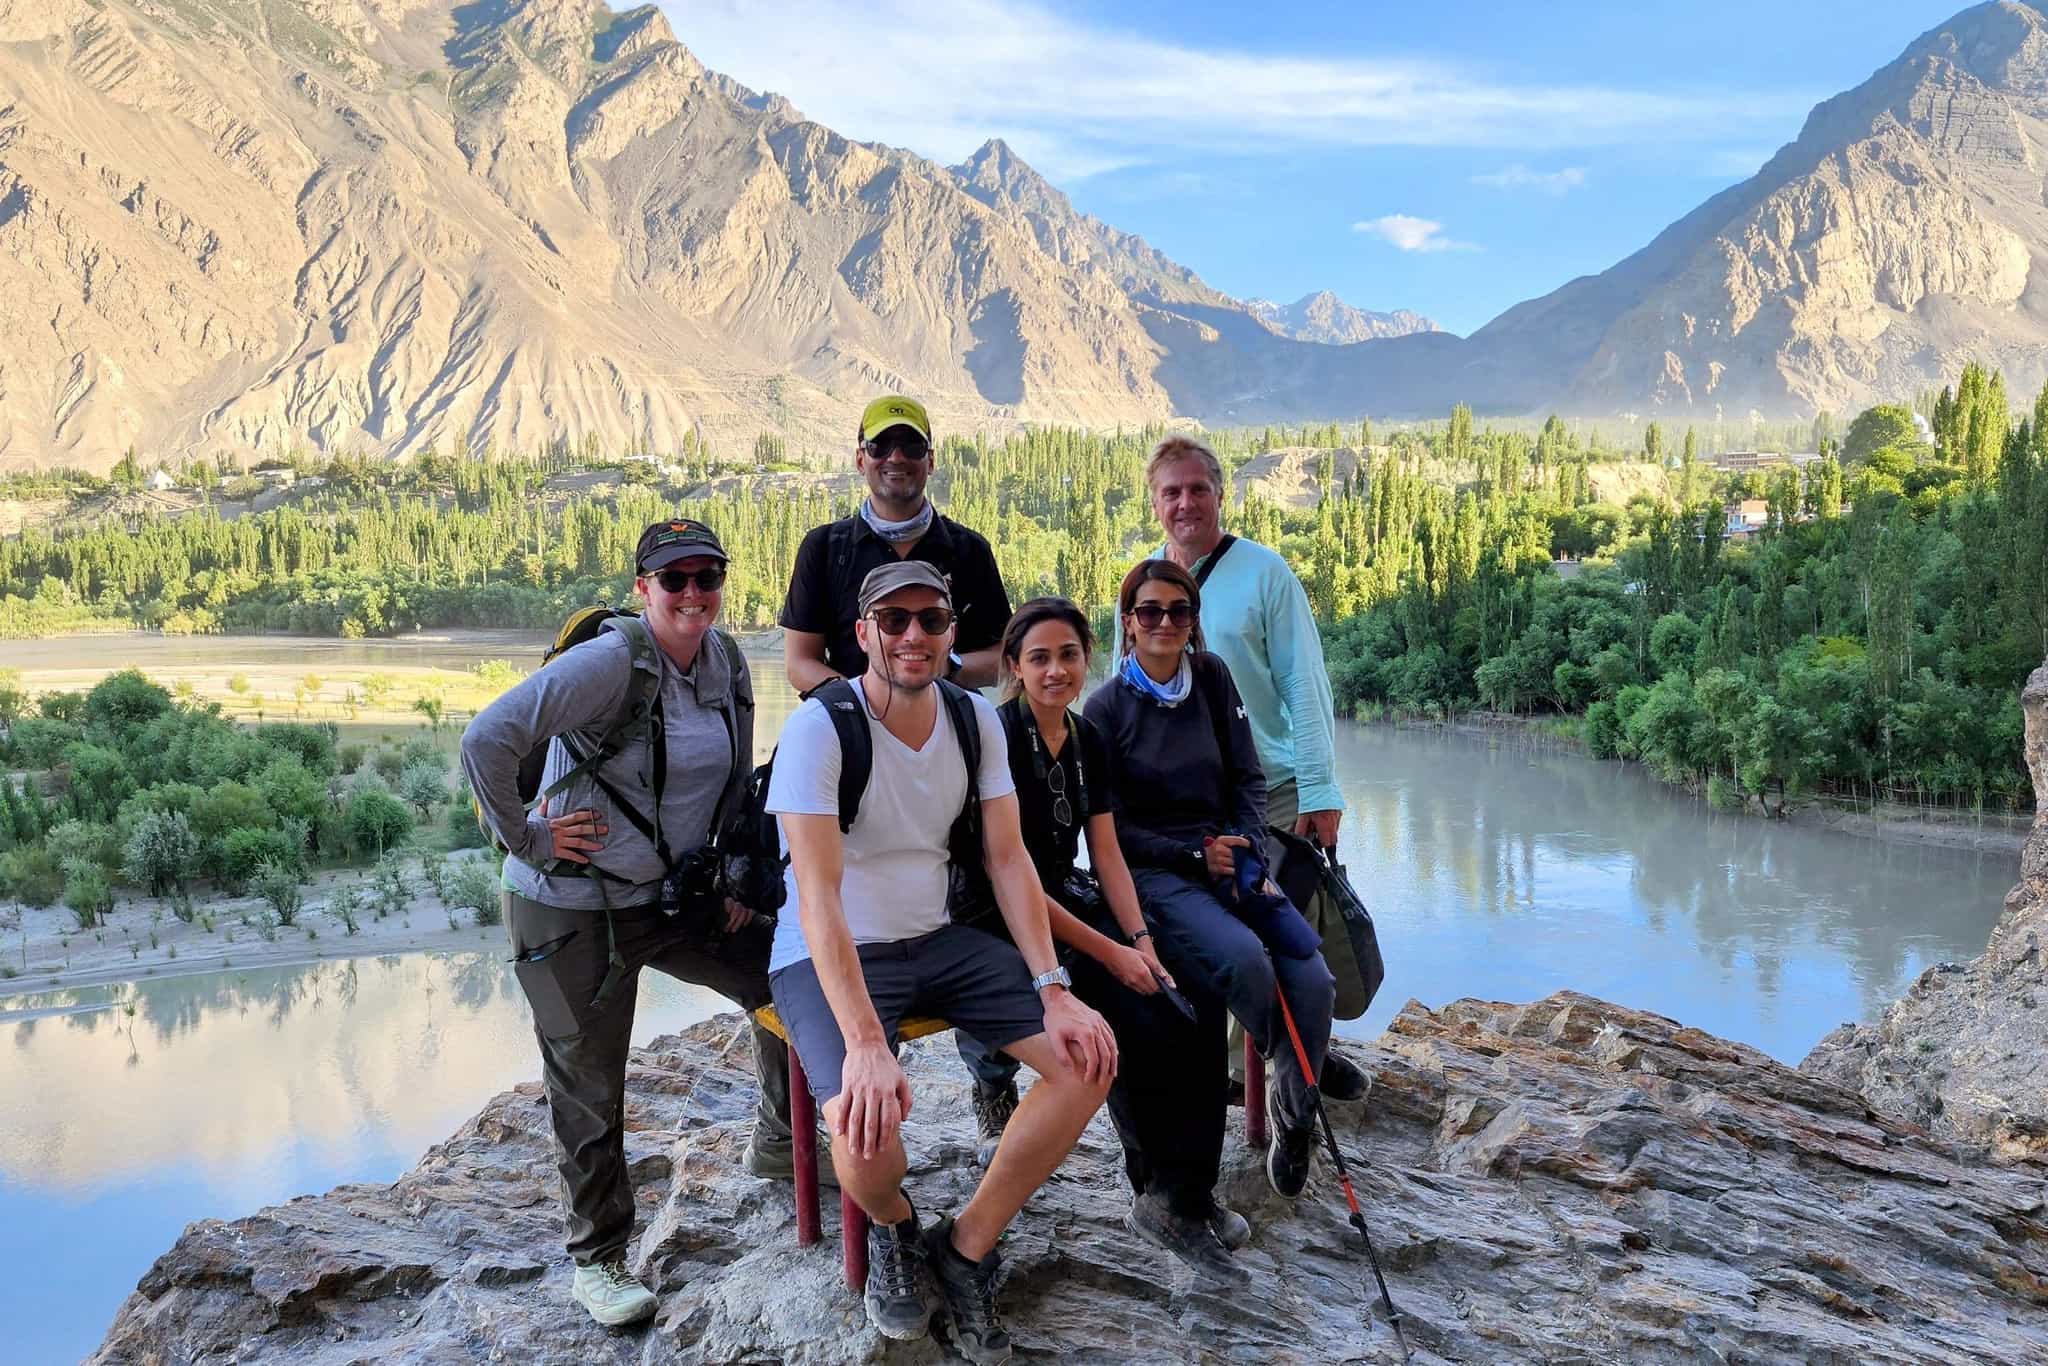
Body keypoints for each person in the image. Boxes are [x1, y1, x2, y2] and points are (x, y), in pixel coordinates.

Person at [461, 519, 811, 1329]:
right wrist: (533, 838)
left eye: (707, 575)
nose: (693, 593)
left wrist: (733, 876)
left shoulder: (724, 661)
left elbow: (730, 786)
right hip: (574, 906)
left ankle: (780, 1139)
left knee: (786, 972)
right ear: (642, 588)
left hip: (670, 899)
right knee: (588, 1081)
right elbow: (487, 738)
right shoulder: (608, 663)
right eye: (674, 578)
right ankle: (600, 1260)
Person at [768, 560, 1115, 1364]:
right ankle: (894, 1226)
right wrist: (863, 1044)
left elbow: (1007, 859)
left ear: (954, 632)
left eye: (931, 620)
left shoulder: (974, 721)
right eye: (894, 621)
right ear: (863, 635)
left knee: (1087, 1060)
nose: (914, 636)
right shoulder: (822, 728)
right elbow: (817, 898)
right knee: (865, 1133)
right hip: (834, 951)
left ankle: (965, 1247)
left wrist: (1053, 986)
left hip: (939, 937)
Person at [778, 392, 1023, 1163]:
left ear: (929, 460)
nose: (897, 461)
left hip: (944, 745)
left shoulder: (967, 548)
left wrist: (934, 673)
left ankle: (992, 1069)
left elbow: (996, 657)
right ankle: (784, 1114)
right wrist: (857, 718)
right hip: (848, 752)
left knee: (980, 883)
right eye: (882, 447)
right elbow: (799, 660)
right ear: (861, 457)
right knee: (799, 892)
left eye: (911, 448)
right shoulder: (826, 546)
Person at [982, 596, 1250, 1283]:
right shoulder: (995, 739)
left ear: (1087, 659)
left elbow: (1104, 852)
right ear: (1014, 666)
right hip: (1006, 918)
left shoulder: (1086, 738)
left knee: (1188, 988)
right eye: (1038, 658)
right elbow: (1009, 877)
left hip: (1069, 899)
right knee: (1129, 1010)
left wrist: (1143, 940)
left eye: (1068, 655)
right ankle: (1158, 1190)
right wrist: (1112, 953)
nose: (1055, 671)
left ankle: (1183, 1192)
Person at [1084, 559, 1337, 1200]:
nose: (1165, 622)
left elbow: (1249, 778)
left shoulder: (1214, 678)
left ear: (1194, 621)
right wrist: (1196, 855)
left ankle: (1291, 1108)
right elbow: (1111, 832)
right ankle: (1301, 1071)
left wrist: (1248, 845)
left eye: (1179, 610)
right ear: (1129, 623)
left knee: (1313, 973)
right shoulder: (1106, 709)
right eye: (1150, 611)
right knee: (1245, 959)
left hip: (1232, 855)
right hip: (1158, 873)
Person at [1142, 433, 1370, 1103]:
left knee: (1272, 928)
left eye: (1198, 489)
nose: (1186, 503)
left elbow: (1305, 682)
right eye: (1171, 491)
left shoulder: (1266, 573)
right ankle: (1274, 1062)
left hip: (1270, 789)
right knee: (1203, 935)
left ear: (1220, 494)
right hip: (1182, 800)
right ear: (1154, 501)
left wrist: (1320, 787)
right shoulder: (1149, 578)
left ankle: (1268, 1076)